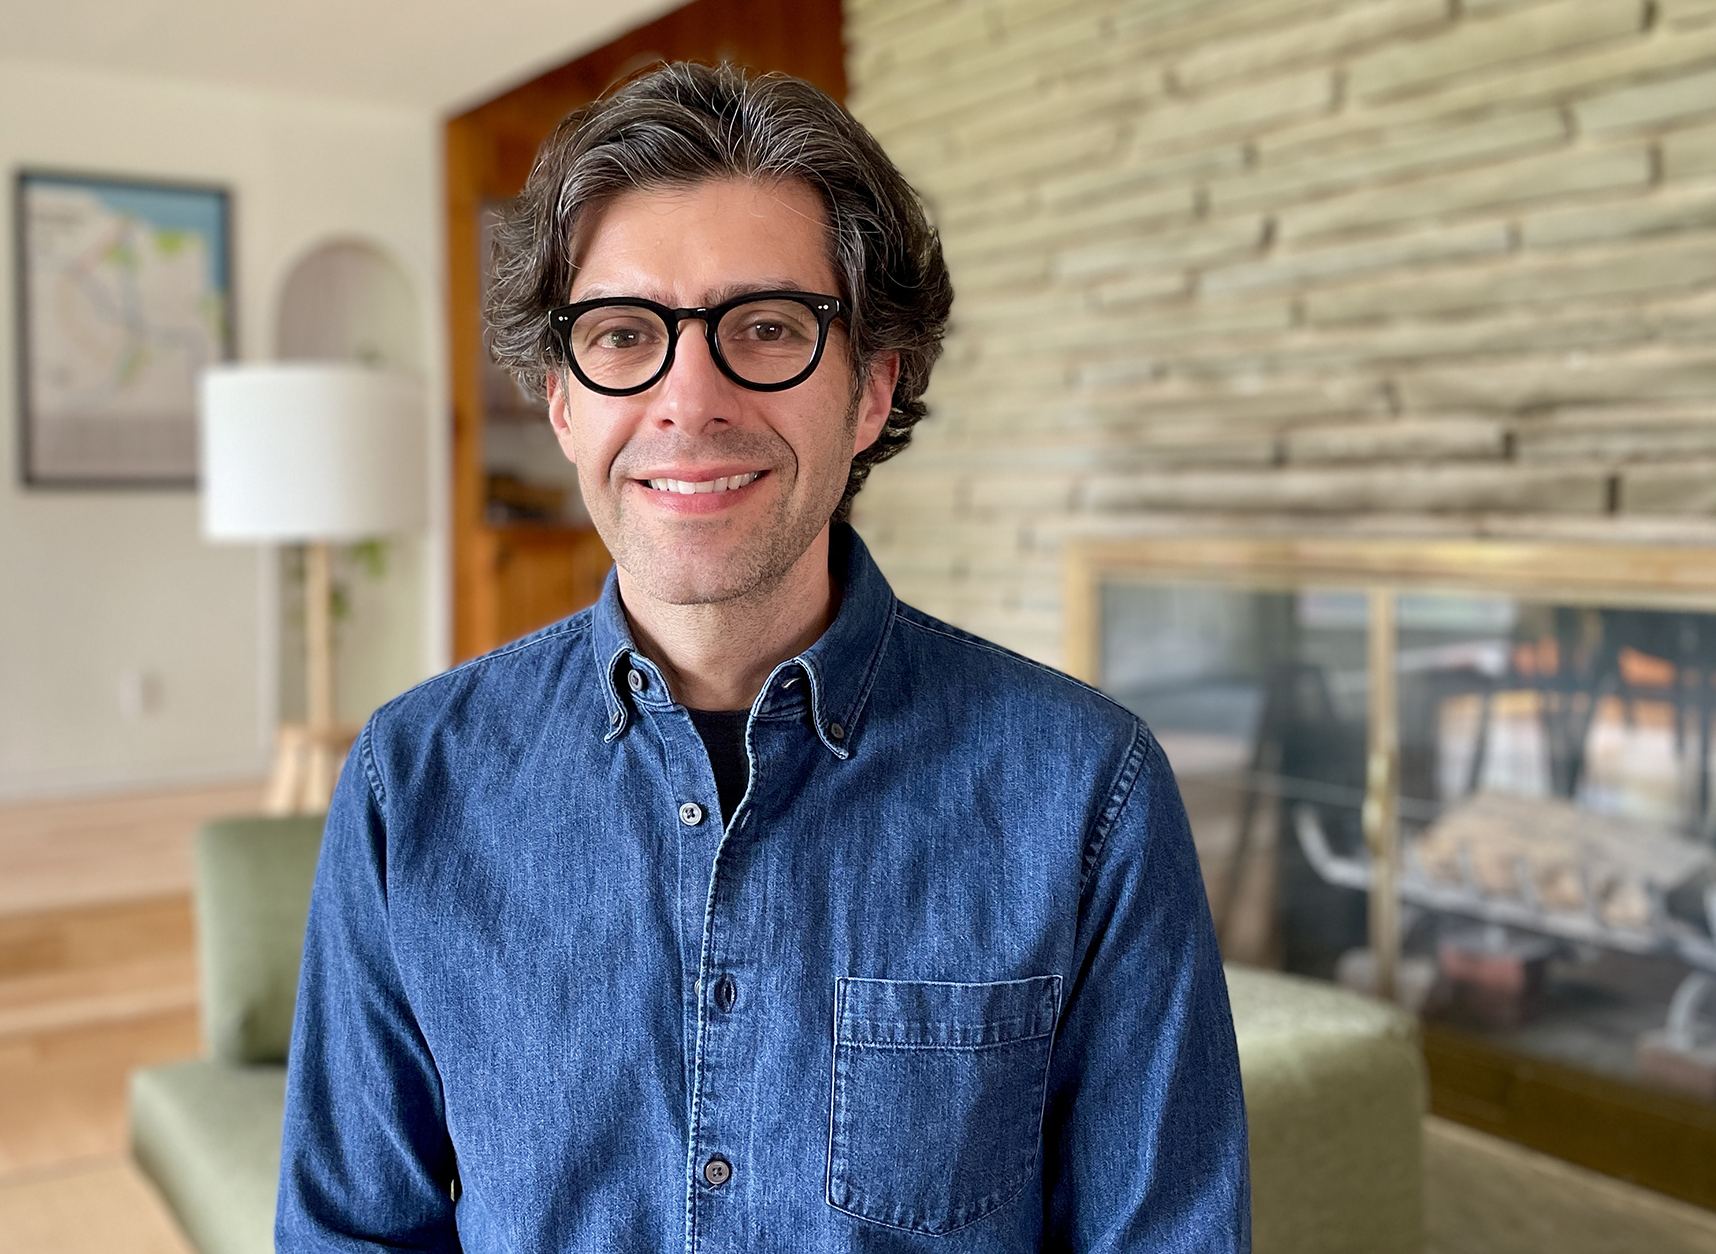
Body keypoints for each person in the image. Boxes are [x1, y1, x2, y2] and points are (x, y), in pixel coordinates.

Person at [277, 62, 1249, 1252]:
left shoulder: (1085, 792)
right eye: (623, 333)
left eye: (768, 328)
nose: (691, 397)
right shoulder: (408, 782)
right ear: (560, 399)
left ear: (870, 387)